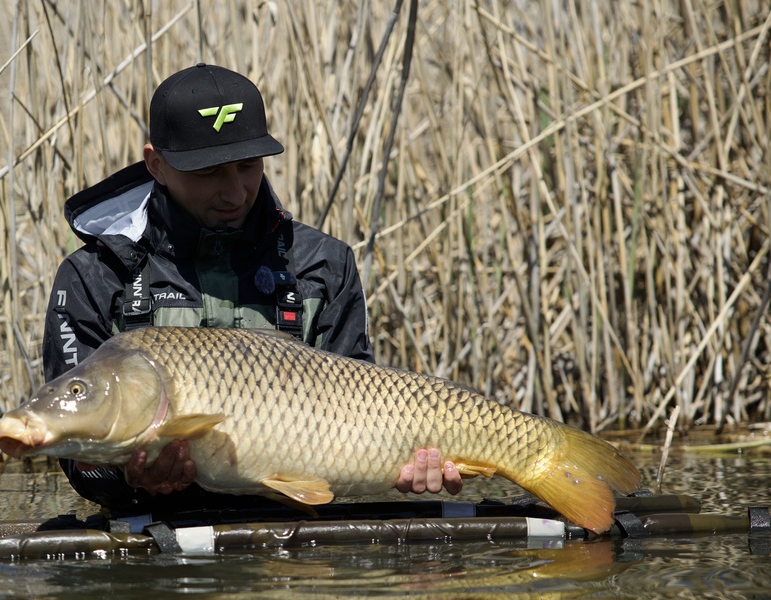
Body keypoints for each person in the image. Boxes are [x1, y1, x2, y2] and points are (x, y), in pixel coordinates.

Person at [41, 63, 462, 517]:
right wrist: (127, 478)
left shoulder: (324, 263)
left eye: (248, 166)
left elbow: (358, 411)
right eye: (209, 173)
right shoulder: (94, 276)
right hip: (156, 539)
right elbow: (74, 452)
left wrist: (408, 462)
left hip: (299, 540)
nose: (235, 192)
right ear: (155, 164)